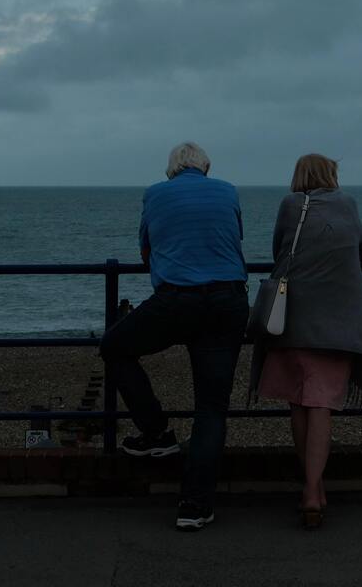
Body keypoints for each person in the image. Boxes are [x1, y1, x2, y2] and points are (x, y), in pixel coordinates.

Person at [99, 142, 249, 532]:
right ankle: (194, 506)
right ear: (206, 167)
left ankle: (155, 432)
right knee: (211, 408)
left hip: (176, 300)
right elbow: (236, 239)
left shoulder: (155, 194)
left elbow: (147, 250)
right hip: (227, 301)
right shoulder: (228, 190)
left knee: (114, 347)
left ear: (171, 169)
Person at [250, 153, 362, 529]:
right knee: (322, 405)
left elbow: (279, 251)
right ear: (331, 175)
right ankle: (313, 491)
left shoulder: (290, 205)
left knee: (299, 403)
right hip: (337, 325)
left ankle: (314, 486)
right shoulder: (348, 204)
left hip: (292, 319)